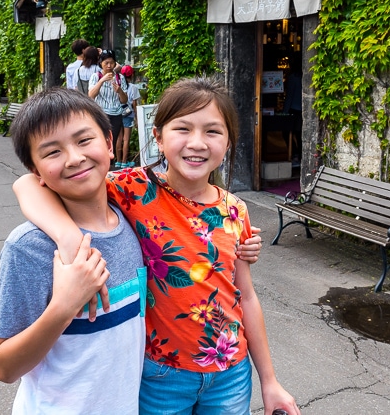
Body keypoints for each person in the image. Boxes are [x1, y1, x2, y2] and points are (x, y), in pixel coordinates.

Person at [15, 77, 299, 415]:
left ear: (228, 143)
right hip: (162, 375)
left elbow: (246, 296)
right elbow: (28, 185)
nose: (197, 143)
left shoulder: (235, 209)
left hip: (231, 374)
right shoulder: (134, 188)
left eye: (213, 131)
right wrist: (69, 238)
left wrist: (269, 381)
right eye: (182, 129)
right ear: (158, 137)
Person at [0, 87, 146, 414]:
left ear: (108, 142)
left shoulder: (134, 213)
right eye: (52, 152)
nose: (75, 158)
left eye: (83, 140)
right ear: (37, 172)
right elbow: (4, 367)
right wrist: (63, 307)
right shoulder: (29, 248)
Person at [88, 49, 128, 150]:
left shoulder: (120, 78)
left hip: (116, 115)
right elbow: (91, 95)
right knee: (100, 140)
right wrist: (102, 81)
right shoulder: (95, 77)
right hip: (101, 114)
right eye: (106, 63)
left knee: (112, 143)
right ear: (101, 63)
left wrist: (120, 91)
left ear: (115, 63)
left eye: (112, 63)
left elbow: (124, 100)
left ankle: (109, 163)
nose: (109, 66)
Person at [115, 64, 140, 168]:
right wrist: (137, 118)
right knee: (126, 139)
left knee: (119, 139)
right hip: (128, 115)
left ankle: (118, 161)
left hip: (118, 113)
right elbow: (134, 104)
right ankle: (125, 162)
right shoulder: (133, 87)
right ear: (132, 75)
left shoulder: (117, 85)